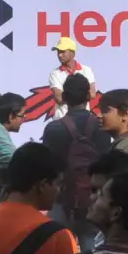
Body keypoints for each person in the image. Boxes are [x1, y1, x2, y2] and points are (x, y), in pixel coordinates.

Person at [37, 72, 109, 224]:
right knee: (91, 243)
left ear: (63, 97)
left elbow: (46, 167)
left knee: (57, 243)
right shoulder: (102, 128)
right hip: (92, 199)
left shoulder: (53, 128)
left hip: (61, 199)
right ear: (89, 96)